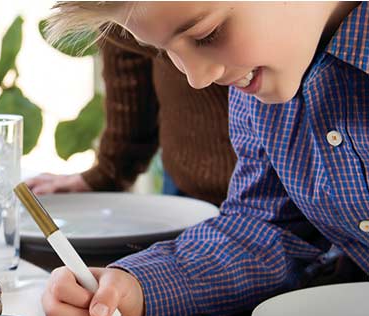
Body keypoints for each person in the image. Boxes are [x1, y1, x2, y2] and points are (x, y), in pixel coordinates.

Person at [41, 1, 368, 316]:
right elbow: (266, 229)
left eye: (207, 34)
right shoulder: (262, 91)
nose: (197, 79)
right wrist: (136, 289)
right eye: (163, 51)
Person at [26, 27, 236, 206]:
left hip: (260, 186)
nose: (197, 78)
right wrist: (110, 170)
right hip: (189, 188)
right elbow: (125, 36)